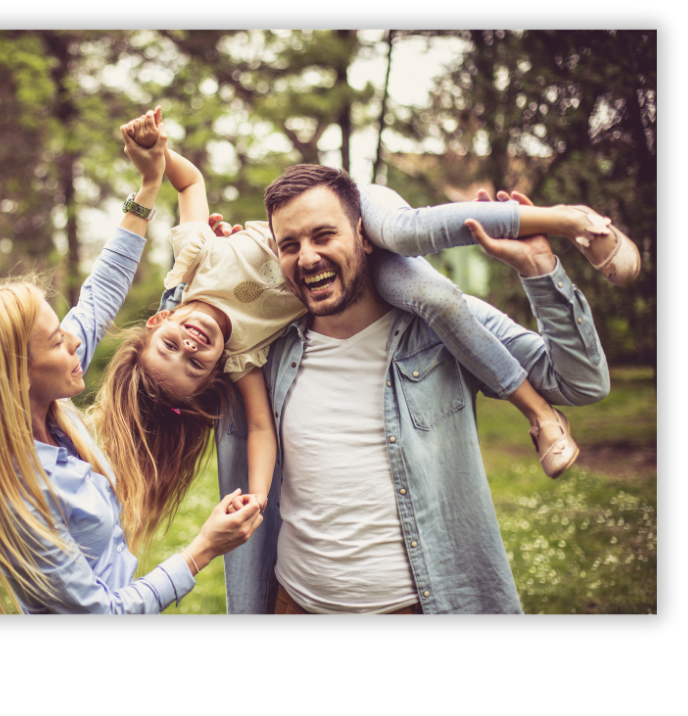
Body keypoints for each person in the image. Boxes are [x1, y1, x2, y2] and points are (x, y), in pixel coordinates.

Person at [117, 109, 633, 546]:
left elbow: (190, 183)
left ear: (161, 319)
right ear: (213, 374)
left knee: (405, 231)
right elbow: (258, 430)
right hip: (362, 267)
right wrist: (256, 495)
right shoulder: (245, 357)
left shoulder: (194, 260)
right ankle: (539, 411)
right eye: (193, 364)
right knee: (435, 298)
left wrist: (157, 157)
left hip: (353, 206)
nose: (190, 346)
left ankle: (572, 220)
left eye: (171, 344)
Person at [178, 165, 613, 615]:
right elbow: (173, 348)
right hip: (293, 603)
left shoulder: (447, 328)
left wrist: (539, 270)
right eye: (290, 245)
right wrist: (209, 270)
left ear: (364, 236)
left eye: (324, 236)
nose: (307, 258)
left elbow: (582, 383)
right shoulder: (264, 351)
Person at [0, 116, 262, 615]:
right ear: (16, 375)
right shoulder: (19, 496)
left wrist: (148, 184)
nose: (75, 338)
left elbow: (100, 293)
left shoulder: (47, 397)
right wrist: (202, 550)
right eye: (56, 339)